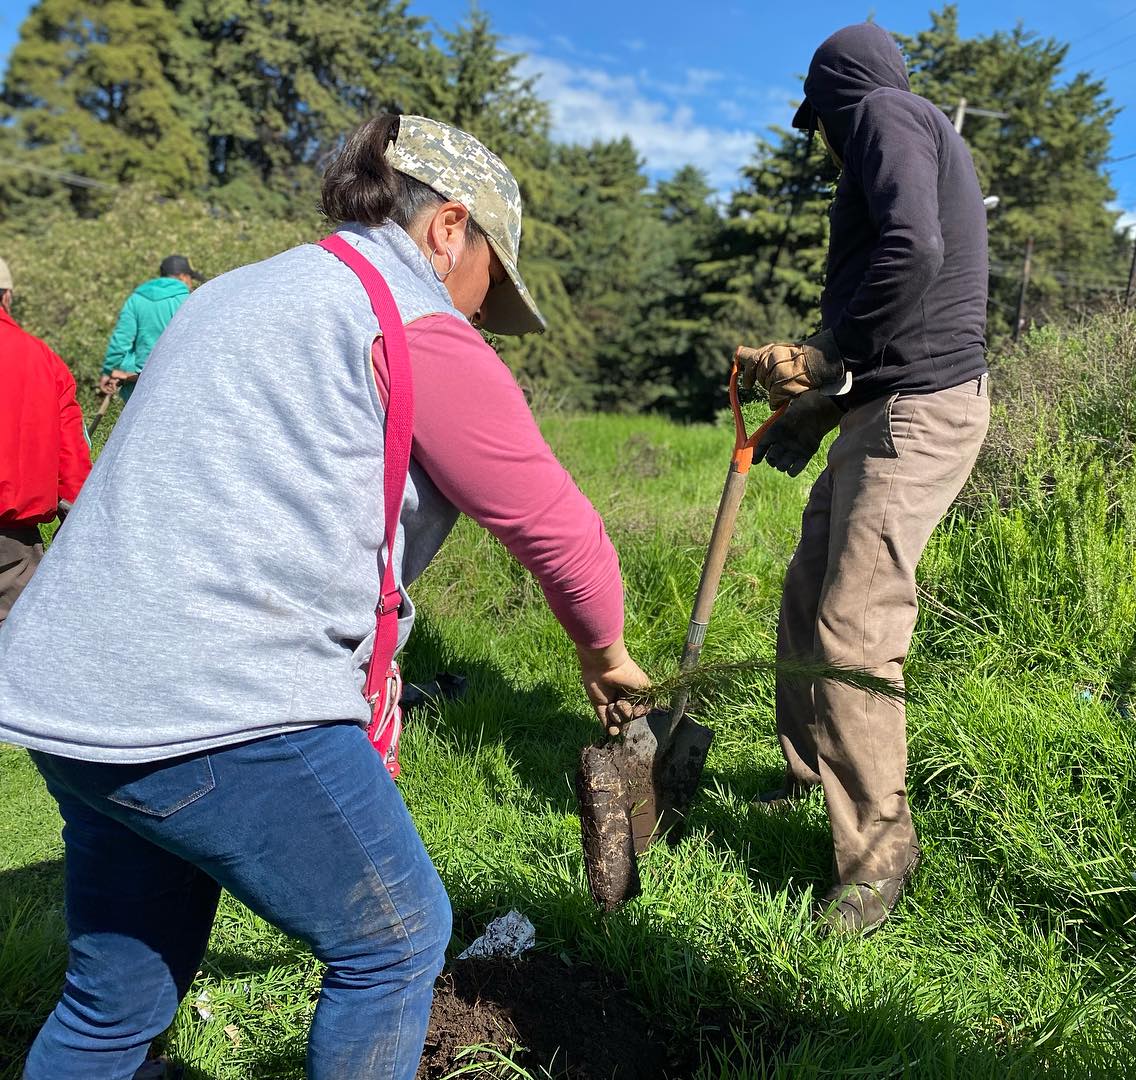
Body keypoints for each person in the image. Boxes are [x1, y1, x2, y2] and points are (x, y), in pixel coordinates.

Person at [0, 114, 651, 1078]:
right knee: (395, 939)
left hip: (73, 692)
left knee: (114, 999)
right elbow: (560, 533)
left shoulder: (235, 296)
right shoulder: (409, 319)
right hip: (215, 699)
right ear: (446, 230)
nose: (481, 318)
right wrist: (607, 656)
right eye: (489, 287)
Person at [737, 23, 991, 935]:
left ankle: (879, 859)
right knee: (810, 594)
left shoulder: (885, 111)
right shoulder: (901, 129)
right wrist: (820, 401)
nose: (827, 139)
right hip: (883, 405)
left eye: (823, 119)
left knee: (854, 628)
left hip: (918, 413)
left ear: (842, 91)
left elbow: (913, 253)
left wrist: (825, 351)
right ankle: (812, 777)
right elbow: (893, 301)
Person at [0, 254, 92, 626]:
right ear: (6, 296)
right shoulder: (43, 359)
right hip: (11, 545)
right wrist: (83, 530)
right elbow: (71, 462)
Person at [99, 253, 199, 400]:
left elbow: (121, 340)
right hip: (177, 381)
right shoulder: (188, 301)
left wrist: (108, 370)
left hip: (141, 385)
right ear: (184, 277)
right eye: (191, 279)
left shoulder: (136, 300)